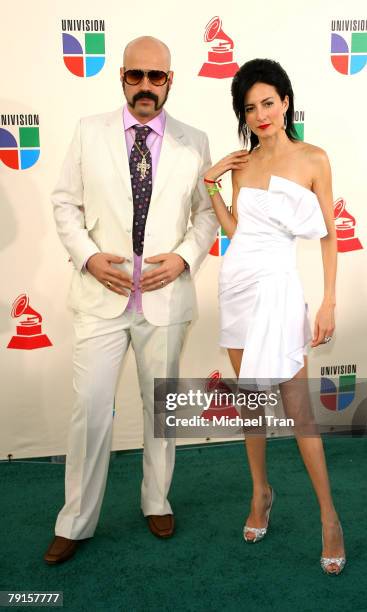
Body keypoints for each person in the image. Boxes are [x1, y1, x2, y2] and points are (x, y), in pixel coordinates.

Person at [45, 36, 218, 564]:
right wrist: (89, 257)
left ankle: (156, 499)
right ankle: (75, 520)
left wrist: (186, 257)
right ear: (121, 76)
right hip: (102, 295)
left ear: (171, 80)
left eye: (156, 76)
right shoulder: (87, 131)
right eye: (135, 75)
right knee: (90, 409)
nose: (146, 85)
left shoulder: (195, 140)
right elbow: (65, 203)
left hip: (165, 301)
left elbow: (207, 214)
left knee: (160, 410)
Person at [204, 58, 346, 575]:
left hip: (280, 290)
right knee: (251, 404)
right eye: (250, 107)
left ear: (285, 101)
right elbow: (238, 230)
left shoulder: (314, 158)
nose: (260, 115)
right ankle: (261, 492)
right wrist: (212, 184)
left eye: (268, 102)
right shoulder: (244, 163)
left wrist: (329, 300)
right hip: (237, 286)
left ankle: (329, 518)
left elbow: (331, 234)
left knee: (299, 411)